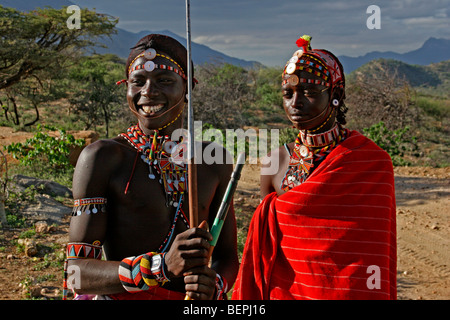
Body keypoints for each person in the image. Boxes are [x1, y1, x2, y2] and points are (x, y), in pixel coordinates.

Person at [64, 34, 239, 300]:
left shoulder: (214, 160)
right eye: (138, 82)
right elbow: (76, 274)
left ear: (187, 87)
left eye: (164, 81)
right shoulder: (102, 158)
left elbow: (226, 258)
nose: (148, 92)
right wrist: (160, 268)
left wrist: (214, 283)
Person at [232, 35, 396, 300]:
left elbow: (374, 250)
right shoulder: (274, 162)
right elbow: (269, 247)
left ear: (336, 95)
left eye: (308, 92)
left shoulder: (372, 162)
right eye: (288, 94)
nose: (295, 103)